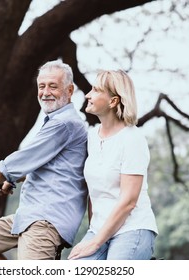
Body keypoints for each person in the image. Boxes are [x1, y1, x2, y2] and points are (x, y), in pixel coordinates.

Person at [0, 60, 88, 260]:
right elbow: (42, 164)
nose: (45, 92)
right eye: (41, 86)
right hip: (30, 214)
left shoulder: (64, 124)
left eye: (53, 86)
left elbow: (19, 162)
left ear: (70, 90)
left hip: (46, 220)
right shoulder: (55, 122)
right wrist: (10, 180)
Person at [68, 69, 158, 260]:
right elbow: (94, 192)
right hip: (99, 230)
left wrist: (95, 243)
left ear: (113, 101)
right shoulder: (91, 137)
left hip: (133, 228)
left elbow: (129, 201)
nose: (87, 95)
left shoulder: (132, 139)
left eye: (96, 90)